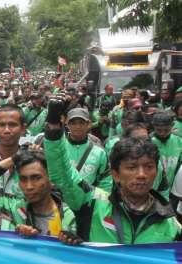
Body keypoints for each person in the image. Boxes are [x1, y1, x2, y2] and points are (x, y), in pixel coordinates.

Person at [43, 96, 181, 244]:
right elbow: (64, 175)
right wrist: (53, 127)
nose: (141, 175)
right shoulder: (93, 203)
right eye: (132, 167)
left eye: (148, 167)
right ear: (116, 174)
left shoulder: (171, 226)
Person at [0, 148, 76, 236]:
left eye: (36, 178)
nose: (29, 186)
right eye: (23, 179)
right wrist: (15, 158)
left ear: (51, 180)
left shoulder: (69, 217)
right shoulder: (12, 209)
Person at [62, 108, 112, 191]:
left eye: (81, 123)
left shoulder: (100, 152)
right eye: (73, 123)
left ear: (88, 124)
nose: (78, 126)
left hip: (90, 200)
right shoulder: (59, 148)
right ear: (67, 124)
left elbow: (105, 180)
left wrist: (100, 200)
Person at [151, 111, 182, 190]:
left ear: (172, 126)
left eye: (166, 130)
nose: (163, 133)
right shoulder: (149, 141)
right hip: (152, 187)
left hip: (173, 187)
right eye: (159, 130)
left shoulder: (179, 141)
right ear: (153, 127)